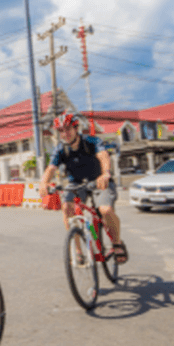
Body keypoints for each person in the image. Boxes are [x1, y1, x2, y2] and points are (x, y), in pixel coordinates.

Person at [38, 111, 128, 263]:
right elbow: (51, 168)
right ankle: (79, 251)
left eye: (67, 129)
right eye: (60, 131)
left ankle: (117, 242)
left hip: (99, 181)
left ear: (76, 128)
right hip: (77, 184)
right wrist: (43, 182)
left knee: (105, 210)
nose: (64, 134)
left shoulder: (92, 141)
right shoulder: (60, 149)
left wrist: (105, 173)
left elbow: (103, 156)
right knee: (67, 208)